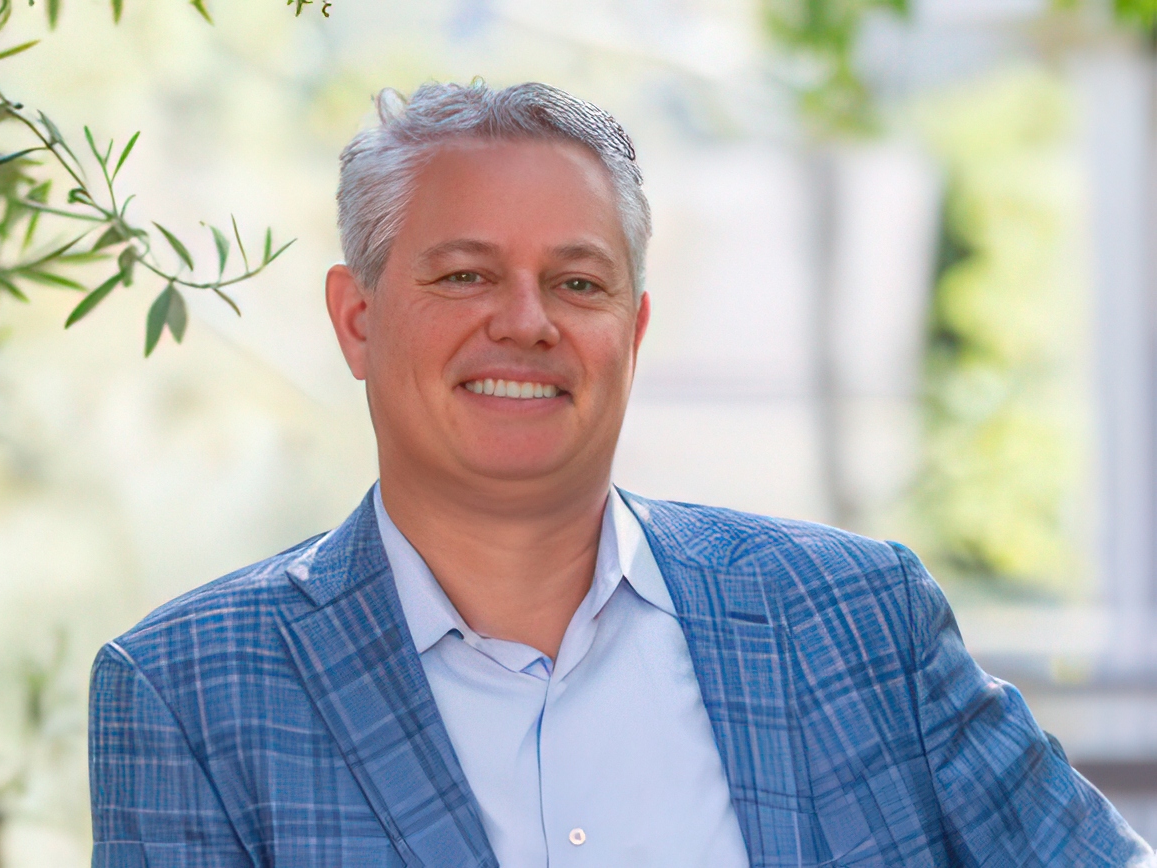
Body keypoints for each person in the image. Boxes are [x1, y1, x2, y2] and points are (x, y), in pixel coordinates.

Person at [88, 81, 1154, 867]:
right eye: (465, 275)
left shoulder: (859, 622)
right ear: (357, 319)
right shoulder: (191, 692)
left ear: (632, 329)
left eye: (578, 281)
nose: (526, 320)